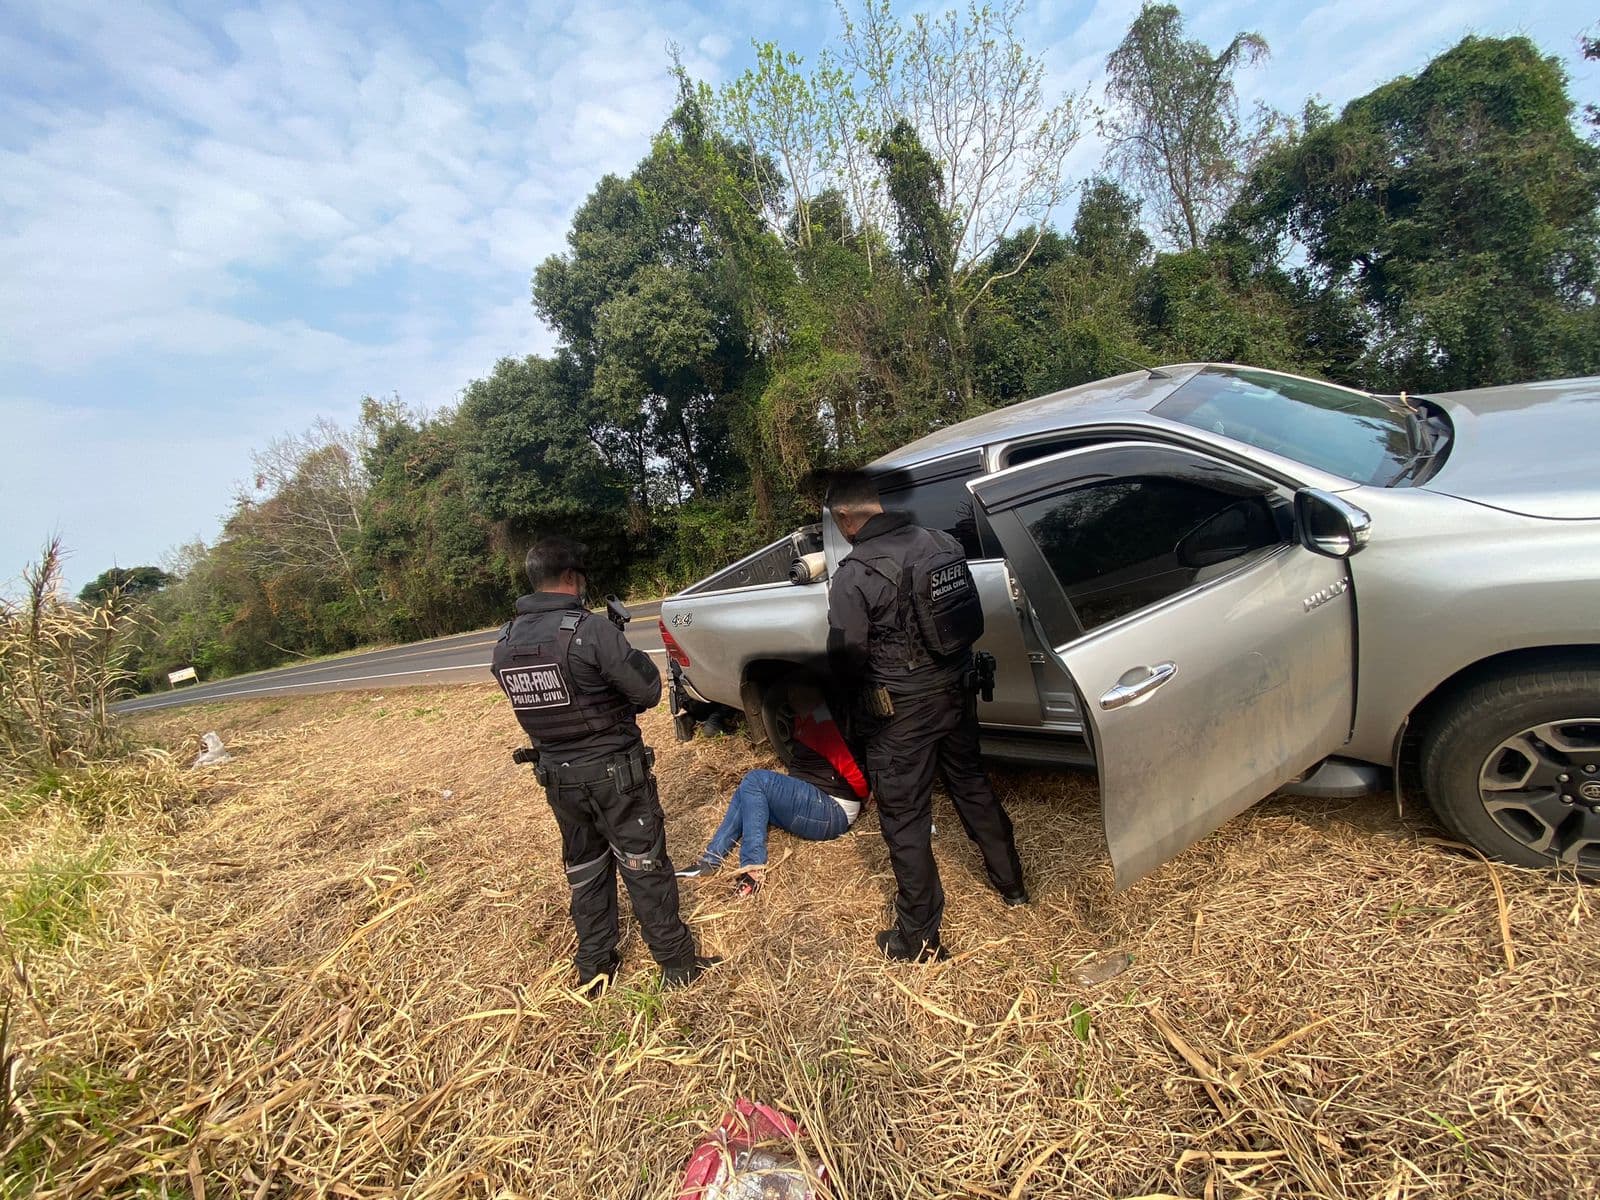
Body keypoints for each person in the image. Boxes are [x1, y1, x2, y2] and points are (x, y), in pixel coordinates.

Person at [492, 536, 719, 990]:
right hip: (615, 776)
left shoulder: (505, 642)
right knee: (644, 865)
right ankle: (676, 964)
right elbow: (648, 690)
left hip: (558, 779)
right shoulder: (590, 630)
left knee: (585, 869)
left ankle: (595, 967)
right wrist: (617, 644)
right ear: (573, 578)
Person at [825, 473, 1027, 962]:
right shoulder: (941, 543)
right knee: (972, 784)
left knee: (906, 820)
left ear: (846, 520)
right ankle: (1013, 884)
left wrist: (850, 713)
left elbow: (847, 658)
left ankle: (918, 937)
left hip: (900, 716)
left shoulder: (853, 575)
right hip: (958, 693)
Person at [675, 685, 869, 896]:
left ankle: (753, 867)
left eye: (796, 696)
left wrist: (866, 796)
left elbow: (851, 768)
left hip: (832, 810)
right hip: (816, 803)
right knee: (746, 792)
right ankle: (710, 861)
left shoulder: (822, 723)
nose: (792, 701)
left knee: (755, 780)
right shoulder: (804, 720)